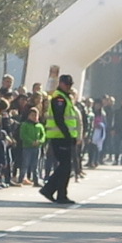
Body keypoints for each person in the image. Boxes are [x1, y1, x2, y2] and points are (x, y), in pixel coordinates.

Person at [38, 74, 82, 204]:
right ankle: (55, 192)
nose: (69, 87)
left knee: (65, 167)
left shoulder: (65, 97)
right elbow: (59, 119)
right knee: (65, 166)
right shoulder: (59, 98)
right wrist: (68, 135)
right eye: (67, 84)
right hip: (60, 137)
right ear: (61, 83)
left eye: (70, 84)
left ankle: (55, 191)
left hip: (64, 136)